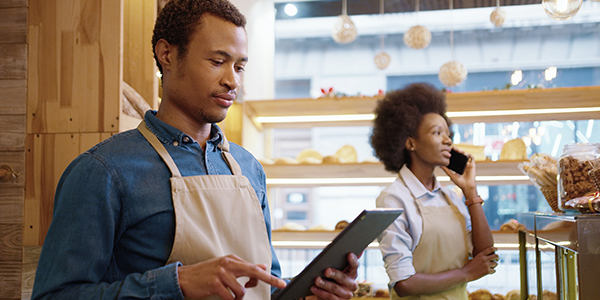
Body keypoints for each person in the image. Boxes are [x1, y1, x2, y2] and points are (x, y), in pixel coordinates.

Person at [31, 0, 359, 299]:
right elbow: (53, 296)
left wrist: (311, 293)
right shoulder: (104, 171)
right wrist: (176, 284)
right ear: (167, 55)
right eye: (218, 61)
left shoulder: (249, 169)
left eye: (240, 66)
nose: (233, 81)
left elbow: (264, 286)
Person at [370, 82, 498, 299]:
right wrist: (466, 272)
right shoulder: (394, 198)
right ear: (410, 143)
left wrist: (470, 191)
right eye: (437, 133)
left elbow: (485, 256)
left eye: (448, 134)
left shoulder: (450, 196)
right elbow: (404, 283)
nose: (448, 140)